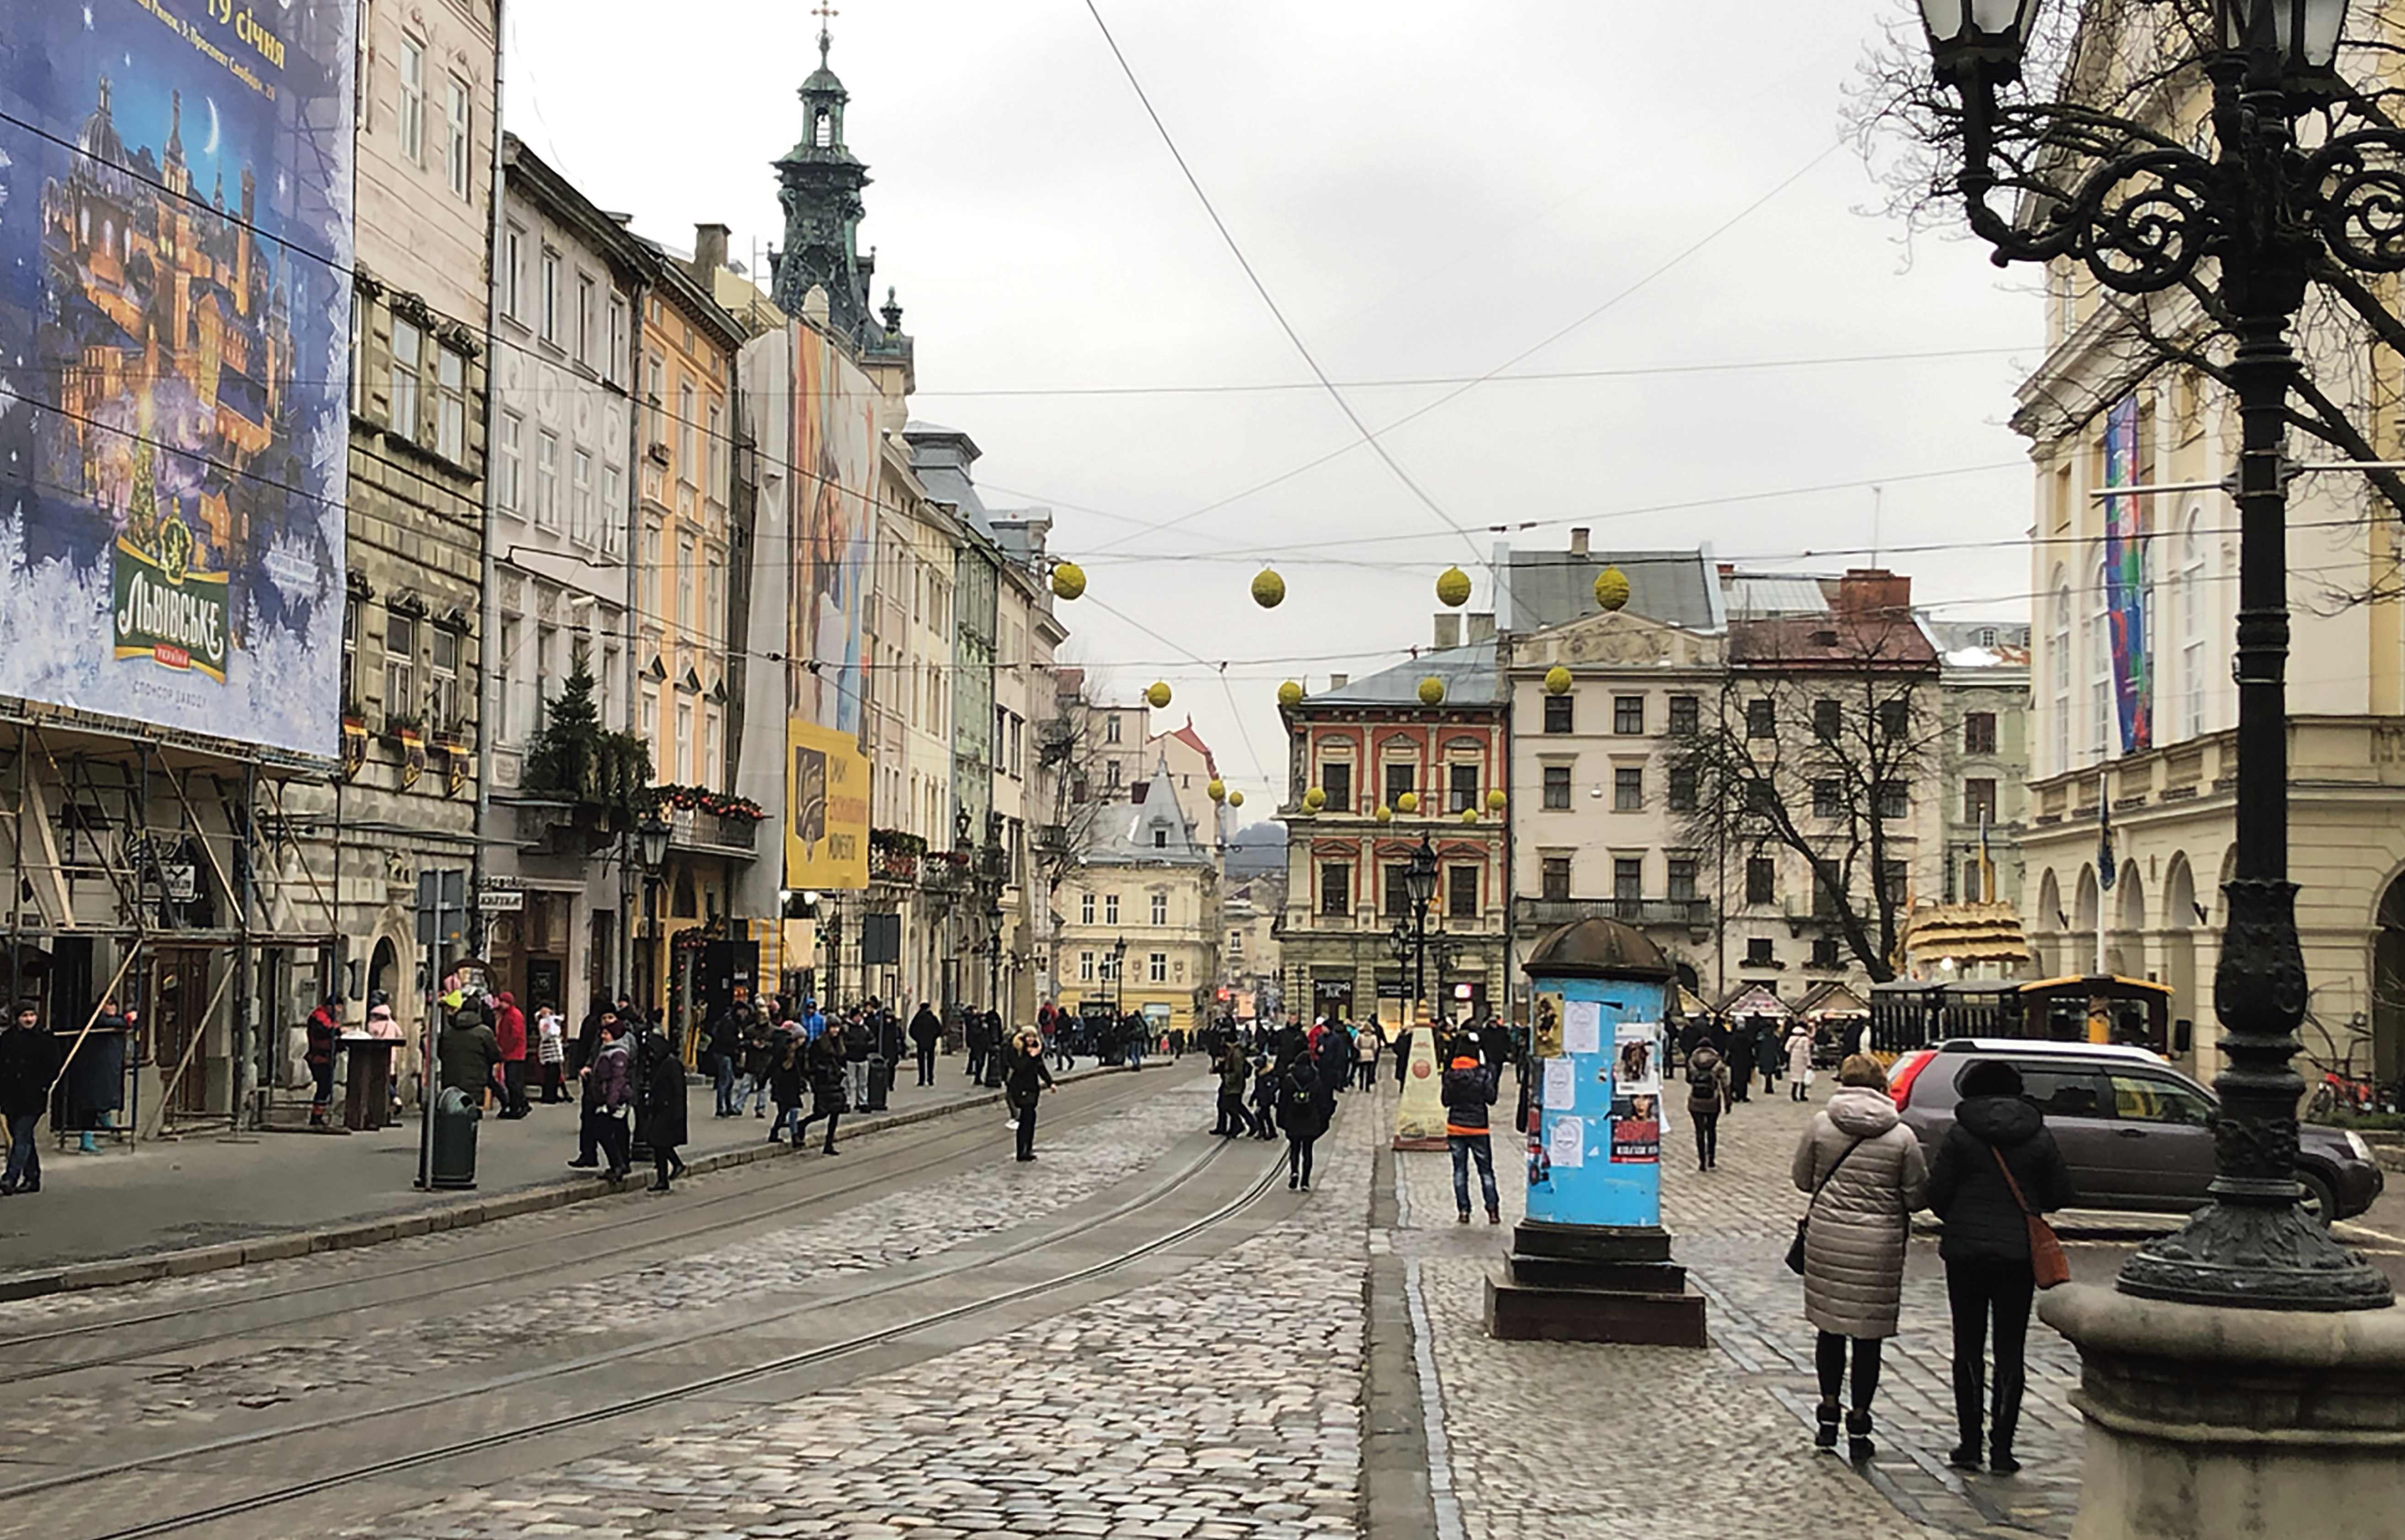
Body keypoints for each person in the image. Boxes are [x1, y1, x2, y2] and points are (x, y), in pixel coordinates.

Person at [1925, 1059, 2073, 1475]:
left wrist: (1960, 1214)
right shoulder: (2038, 1134)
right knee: (2011, 1349)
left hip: (1966, 1253)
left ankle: (1969, 1443)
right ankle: (2004, 1449)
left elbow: (1937, 1192)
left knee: (1968, 1347)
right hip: (2017, 1255)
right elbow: (2061, 1193)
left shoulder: (1960, 1134)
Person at [1791, 1053, 1929, 1463]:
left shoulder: (1820, 1124)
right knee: (1868, 1339)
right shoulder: (1901, 1136)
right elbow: (1916, 1196)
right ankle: (1861, 1419)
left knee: (1830, 1329)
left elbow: (1802, 1179)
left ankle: (1828, 1411)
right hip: (1879, 1243)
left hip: (1829, 1238)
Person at [0, 1001, 64, 1195]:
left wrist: (43, 1084)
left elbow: (53, 1065)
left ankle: (10, 1178)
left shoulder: (44, 1039)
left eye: (32, 1015)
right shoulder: (8, 1038)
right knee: (24, 1137)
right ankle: (32, 1177)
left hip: (33, 1096)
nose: (29, 1019)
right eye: (24, 1016)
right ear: (17, 1018)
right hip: (10, 1096)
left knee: (21, 1135)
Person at [1442, 1050, 1501, 1225]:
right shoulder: (1482, 1074)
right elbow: (1491, 1099)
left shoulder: (1450, 1075)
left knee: (1460, 1171)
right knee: (1486, 1171)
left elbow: (1446, 1101)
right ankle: (1492, 1210)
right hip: (1478, 1128)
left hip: (1456, 1128)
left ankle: (1464, 1211)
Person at [579, 1018, 634, 1182]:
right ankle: (618, 1165)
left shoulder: (618, 1053)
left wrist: (611, 1102)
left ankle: (618, 1165)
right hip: (604, 1099)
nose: (603, 1036)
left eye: (606, 1033)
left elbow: (618, 1080)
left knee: (604, 1132)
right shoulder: (606, 1051)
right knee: (609, 1132)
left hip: (614, 1102)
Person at [639, 1031, 690, 1193]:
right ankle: (665, 1177)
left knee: (659, 1141)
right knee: (658, 1144)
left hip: (669, 1109)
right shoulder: (657, 1063)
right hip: (659, 1108)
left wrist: (678, 1112)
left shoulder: (672, 1064)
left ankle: (674, 1166)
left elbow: (678, 1090)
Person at [436, 1000, 504, 1108]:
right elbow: (495, 1054)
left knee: (452, 1108)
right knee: (470, 1110)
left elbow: (439, 1051)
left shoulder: (448, 1033)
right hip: (476, 1080)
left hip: (450, 1078)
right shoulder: (484, 1032)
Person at [1275, 1055, 1328, 1190]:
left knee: (1294, 1148)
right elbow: (1322, 1102)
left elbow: (1283, 1102)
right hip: (1311, 1119)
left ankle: (1294, 1172)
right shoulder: (1316, 1079)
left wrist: (1281, 1120)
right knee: (1307, 1151)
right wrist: (1323, 1119)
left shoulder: (1289, 1079)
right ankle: (1305, 1181)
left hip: (1293, 1118)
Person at [794, 1022, 849, 1154]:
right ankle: (802, 1124)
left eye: (837, 1027)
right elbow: (811, 1063)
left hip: (835, 1083)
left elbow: (841, 1059)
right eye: (833, 1027)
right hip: (822, 1082)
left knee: (835, 1113)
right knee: (821, 1112)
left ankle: (829, 1144)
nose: (835, 1030)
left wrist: (840, 1071)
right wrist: (820, 1073)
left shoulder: (839, 1043)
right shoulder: (819, 1043)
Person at [1003, 1028, 1057, 1161]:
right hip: (1020, 1088)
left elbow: (1040, 1068)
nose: (1031, 1040)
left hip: (1032, 1087)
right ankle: (1021, 1151)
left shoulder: (1036, 1050)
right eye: (1028, 1037)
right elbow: (1019, 1067)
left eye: (1033, 1037)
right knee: (1025, 1118)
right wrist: (1030, 1057)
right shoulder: (1016, 1050)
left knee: (1031, 1118)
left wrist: (1050, 1083)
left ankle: (1029, 1148)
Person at [1684, 1043, 1731, 1171]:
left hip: (1696, 1100)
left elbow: (1688, 1080)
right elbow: (1725, 1083)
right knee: (1711, 1129)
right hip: (1712, 1100)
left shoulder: (1692, 1061)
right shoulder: (1717, 1062)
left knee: (1699, 1131)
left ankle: (1702, 1161)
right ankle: (1711, 1158)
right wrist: (1728, 1102)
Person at [304, 995, 341, 1128]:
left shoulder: (329, 1018)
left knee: (325, 1086)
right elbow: (324, 1033)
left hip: (326, 1056)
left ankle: (318, 1114)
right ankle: (316, 1116)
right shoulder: (318, 1017)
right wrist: (335, 1032)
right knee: (324, 1085)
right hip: (318, 1057)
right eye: (337, 1008)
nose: (338, 1012)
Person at [493, 992, 530, 1119]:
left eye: (501, 1001)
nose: (499, 1004)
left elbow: (516, 1035)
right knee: (511, 1081)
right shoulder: (507, 1015)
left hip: (515, 1053)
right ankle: (519, 1105)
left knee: (512, 1082)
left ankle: (520, 1105)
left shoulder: (514, 1015)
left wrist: (505, 1049)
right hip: (511, 1053)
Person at [1212, 1039, 1252, 1137]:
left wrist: (1228, 1080)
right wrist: (1218, 1068)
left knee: (1233, 1106)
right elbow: (1228, 1066)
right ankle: (1224, 1127)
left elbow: (1237, 1072)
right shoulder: (1230, 1052)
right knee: (1224, 1105)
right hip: (1229, 1083)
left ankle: (1245, 1125)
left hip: (1235, 1084)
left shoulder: (1236, 1054)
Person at [535, 1003, 568, 1103]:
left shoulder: (553, 1020)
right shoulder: (544, 1021)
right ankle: (549, 1096)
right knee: (550, 1074)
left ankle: (553, 1094)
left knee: (555, 1074)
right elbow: (550, 1033)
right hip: (549, 1050)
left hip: (555, 1050)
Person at [843, 1009, 874, 1108]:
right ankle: (847, 1102)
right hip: (850, 1059)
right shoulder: (847, 1028)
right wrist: (853, 1046)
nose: (858, 1018)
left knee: (863, 1082)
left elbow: (873, 1040)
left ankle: (862, 1102)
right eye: (856, 1016)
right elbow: (843, 1043)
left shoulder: (865, 1029)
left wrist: (866, 1046)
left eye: (860, 1016)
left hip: (863, 1058)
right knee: (849, 1082)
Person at [908, 1001, 942, 1087]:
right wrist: (934, 1037)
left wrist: (917, 1039)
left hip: (921, 1043)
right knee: (931, 1061)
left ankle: (921, 1079)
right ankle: (930, 1079)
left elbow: (911, 1030)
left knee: (921, 1062)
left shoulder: (917, 1018)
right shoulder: (933, 1018)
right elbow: (939, 1029)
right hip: (931, 1043)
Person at [1785, 1020, 1817, 1103]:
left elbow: (1787, 1049)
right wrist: (1809, 1063)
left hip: (1794, 1058)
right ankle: (1802, 1095)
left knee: (1795, 1078)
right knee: (1803, 1077)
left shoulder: (1791, 1038)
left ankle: (1794, 1095)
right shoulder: (1805, 1039)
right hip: (1802, 1059)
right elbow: (1807, 1052)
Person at [1727, 1018, 1758, 1104]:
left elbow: (1730, 1048)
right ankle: (1743, 1095)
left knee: (1736, 1077)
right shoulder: (1748, 1038)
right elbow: (1751, 1049)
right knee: (1744, 1078)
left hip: (1736, 1060)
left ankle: (1736, 1094)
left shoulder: (1733, 1038)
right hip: (1746, 1060)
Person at [1755, 1018, 1785, 1099]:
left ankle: (1768, 1085)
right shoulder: (1774, 1036)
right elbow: (1778, 1047)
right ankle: (1769, 1086)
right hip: (1772, 1055)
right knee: (1771, 1070)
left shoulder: (1761, 1035)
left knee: (1766, 1071)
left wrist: (1757, 1057)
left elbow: (1757, 1046)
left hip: (1763, 1055)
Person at [1353, 1021, 1382, 1092]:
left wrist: (1359, 1049)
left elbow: (1355, 1044)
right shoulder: (1373, 1037)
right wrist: (1373, 1052)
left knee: (1362, 1070)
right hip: (1370, 1053)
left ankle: (1361, 1084)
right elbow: (1376, 1046)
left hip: (1362, 1053)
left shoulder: (1360, 1036)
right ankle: (1367, 1086)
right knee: (1369, 1071)